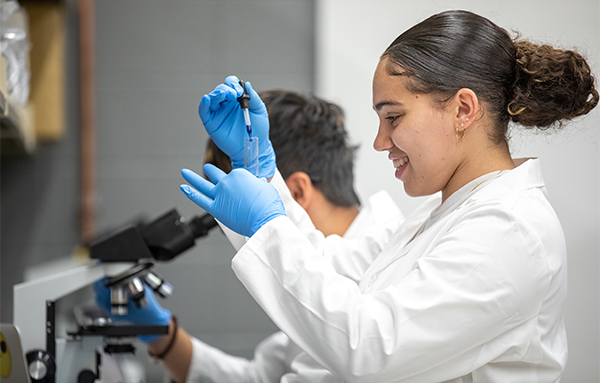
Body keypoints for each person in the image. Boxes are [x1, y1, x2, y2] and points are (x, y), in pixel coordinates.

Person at [179, 9, 598, 383]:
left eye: (393, 117)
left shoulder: (511, 230)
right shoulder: (442, 216)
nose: (381, 142)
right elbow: (333, 273)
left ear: (463, 110)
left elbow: (371, 348)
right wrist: (261, 173)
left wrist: (267, 225)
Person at [95, 90, 403, 382]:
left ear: (294, 192)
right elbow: (260, 378)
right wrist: (161, 335)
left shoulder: (385, 267)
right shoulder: (322, 271)